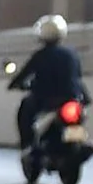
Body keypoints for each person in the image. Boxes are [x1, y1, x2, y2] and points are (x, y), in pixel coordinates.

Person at [11, 12, 84, 144]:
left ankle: (27, 144)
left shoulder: (40, 55)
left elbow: (24, 75)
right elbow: (77, 76)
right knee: (80, 117)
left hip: (46, 100)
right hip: (72, 98)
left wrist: (14, 84)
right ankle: (76, 140)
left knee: (25, 111)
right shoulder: (72, 54)